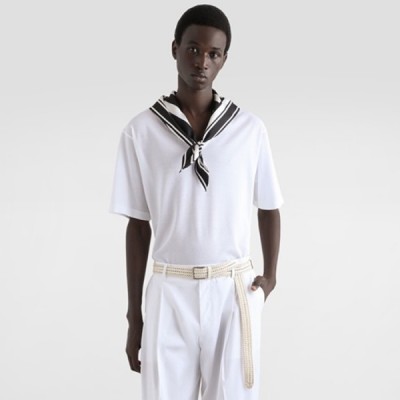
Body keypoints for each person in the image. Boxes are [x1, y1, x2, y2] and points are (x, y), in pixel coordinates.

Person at [110, 4, 283, 399]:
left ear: (224, 59)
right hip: (170, 289)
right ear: (175, 49)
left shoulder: (248, 129)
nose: (202, 61)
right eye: (193, 49)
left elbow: (269, 204)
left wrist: (270, 276)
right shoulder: (141, 131)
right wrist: (134, 316)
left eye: (213, 53)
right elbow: (138, 225)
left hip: (232, 289)